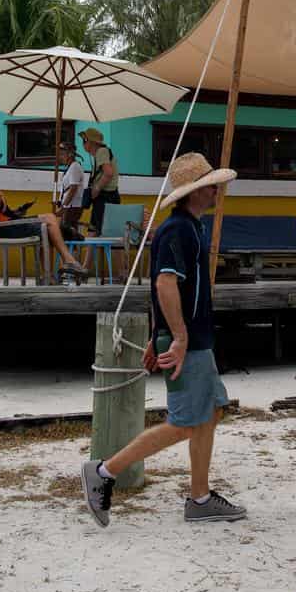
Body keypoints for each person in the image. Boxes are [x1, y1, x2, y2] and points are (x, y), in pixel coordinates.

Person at [80, 153, 246, 527]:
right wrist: (178, 337)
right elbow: (164, 283)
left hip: (194, 338)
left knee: (209, 413)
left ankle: (200, 498)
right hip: (188, 341)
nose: (220, 190)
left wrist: (159, 336)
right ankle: (103, 472)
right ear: (199, 190)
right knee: (185, 422)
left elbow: (163, 288)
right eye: (213, 184)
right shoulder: (178, 230)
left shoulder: (192, 227)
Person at [0, 148, 87, 278]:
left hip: (5, 226)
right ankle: (67, 262)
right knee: (49, 225)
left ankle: (53, 272)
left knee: (49, 220)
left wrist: (17, 212)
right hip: (5, 229)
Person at [79, 127, 120, 234]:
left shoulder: (101, 152)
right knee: (103, 232)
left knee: (95, 230)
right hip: (110, 196)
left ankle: (89, 251)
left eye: (84, 141)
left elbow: (108, 173)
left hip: (105, 196)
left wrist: (96, 188)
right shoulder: (103, 152)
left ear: (91, 142)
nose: (83, 144)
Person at [56, 142, 84, 227]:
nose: (60, 157)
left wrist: (63, 207)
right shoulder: (70, 167)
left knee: (67, 232)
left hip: (72, 207)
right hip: (69, 206)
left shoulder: (74, 167)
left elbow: (73, 189)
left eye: (62, 154)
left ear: (70, 155)